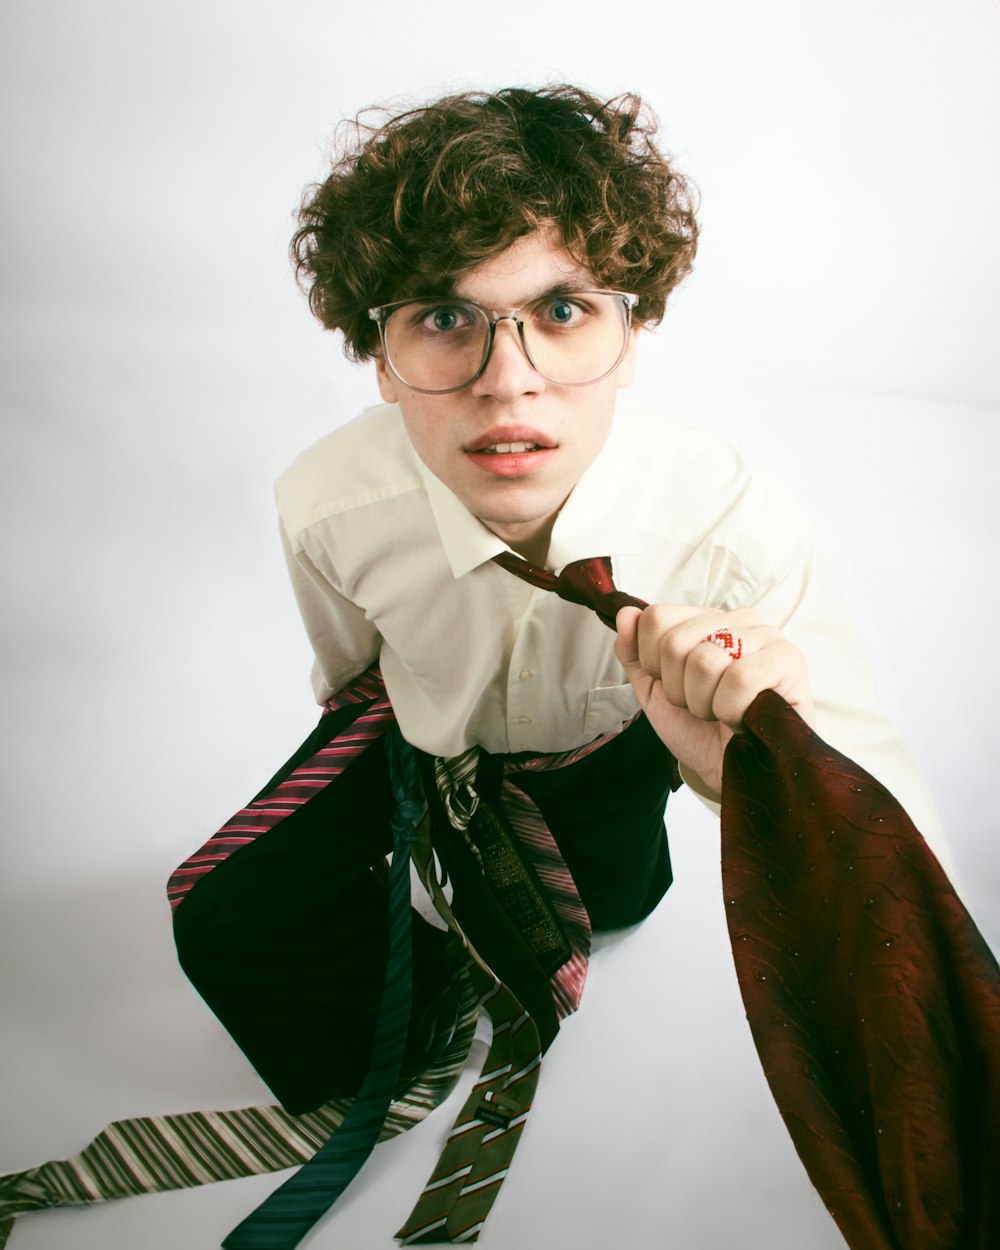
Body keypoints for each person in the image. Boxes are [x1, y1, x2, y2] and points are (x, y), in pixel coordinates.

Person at [173, 82, 951, 1112]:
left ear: (632, 337)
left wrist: (753, 757)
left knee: (620, 900)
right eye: (446, 316)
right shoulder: (327, 506)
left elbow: (882, 820)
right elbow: (346, 669)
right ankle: (386, 1071)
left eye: (562, 310)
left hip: (619, 746)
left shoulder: (731, 524)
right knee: (228, 914)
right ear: (378, 358)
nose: (509, 381)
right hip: (432, 743)